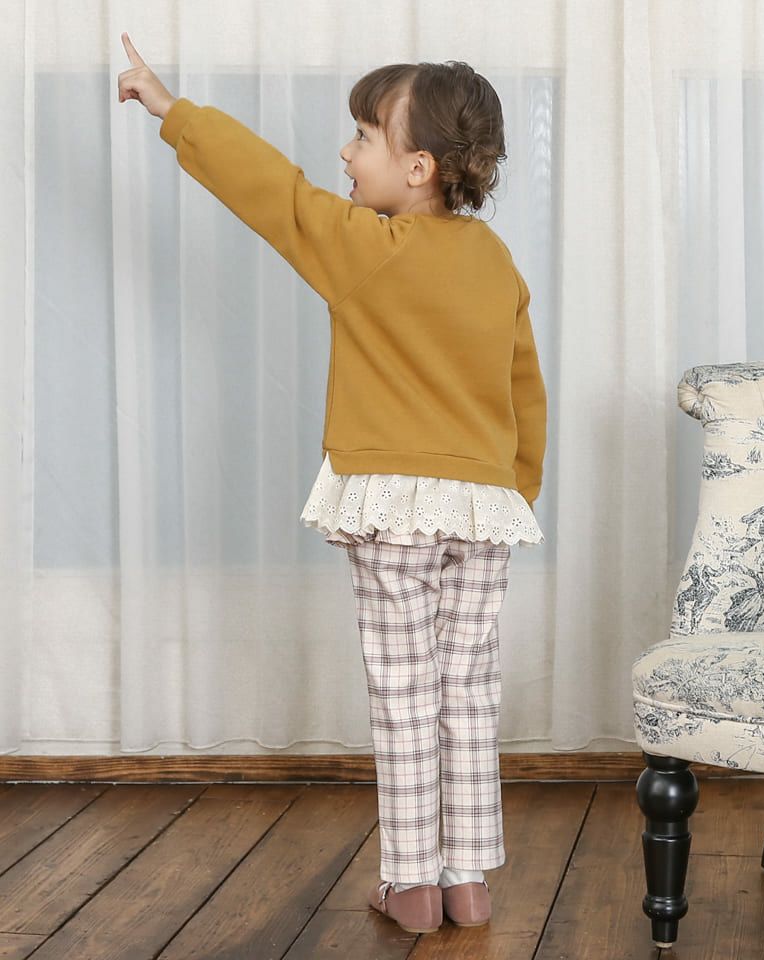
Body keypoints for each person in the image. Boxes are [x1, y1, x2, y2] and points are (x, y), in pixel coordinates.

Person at [118, 31, 547, 935]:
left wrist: (173, 110)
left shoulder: (365, 246)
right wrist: (516, 490)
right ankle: (469, 878)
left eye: (362, 137)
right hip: (484, 509)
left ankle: (413, 886)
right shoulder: (497, 262)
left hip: (394, 507)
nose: (344, 154)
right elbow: (524, 388)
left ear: (419, 168)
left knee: (404, 696)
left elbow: (269, 190)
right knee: (468, 691)